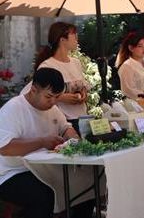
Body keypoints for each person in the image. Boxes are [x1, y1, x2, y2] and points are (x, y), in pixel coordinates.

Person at [0, 68, 94, 218]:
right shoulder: (13, 109)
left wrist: (75, 141)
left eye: (57, 97)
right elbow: (5, 148)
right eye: (49, 97)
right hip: (12, 173)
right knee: (44, 196)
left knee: (87, 185)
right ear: (33, 90)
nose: (53, 102)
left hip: (44, 169)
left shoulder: (52, 108)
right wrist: (42, 142)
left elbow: (65, 128)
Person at [34, 22, 89, 133]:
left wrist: (83, 94)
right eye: (74, 34)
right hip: (62, 122)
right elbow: (38, 96)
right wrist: (61, 98)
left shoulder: (76, 62)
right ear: (62, 40)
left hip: (83, 119)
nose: (77, 38)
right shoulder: (47, 66)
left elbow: (82, 85)